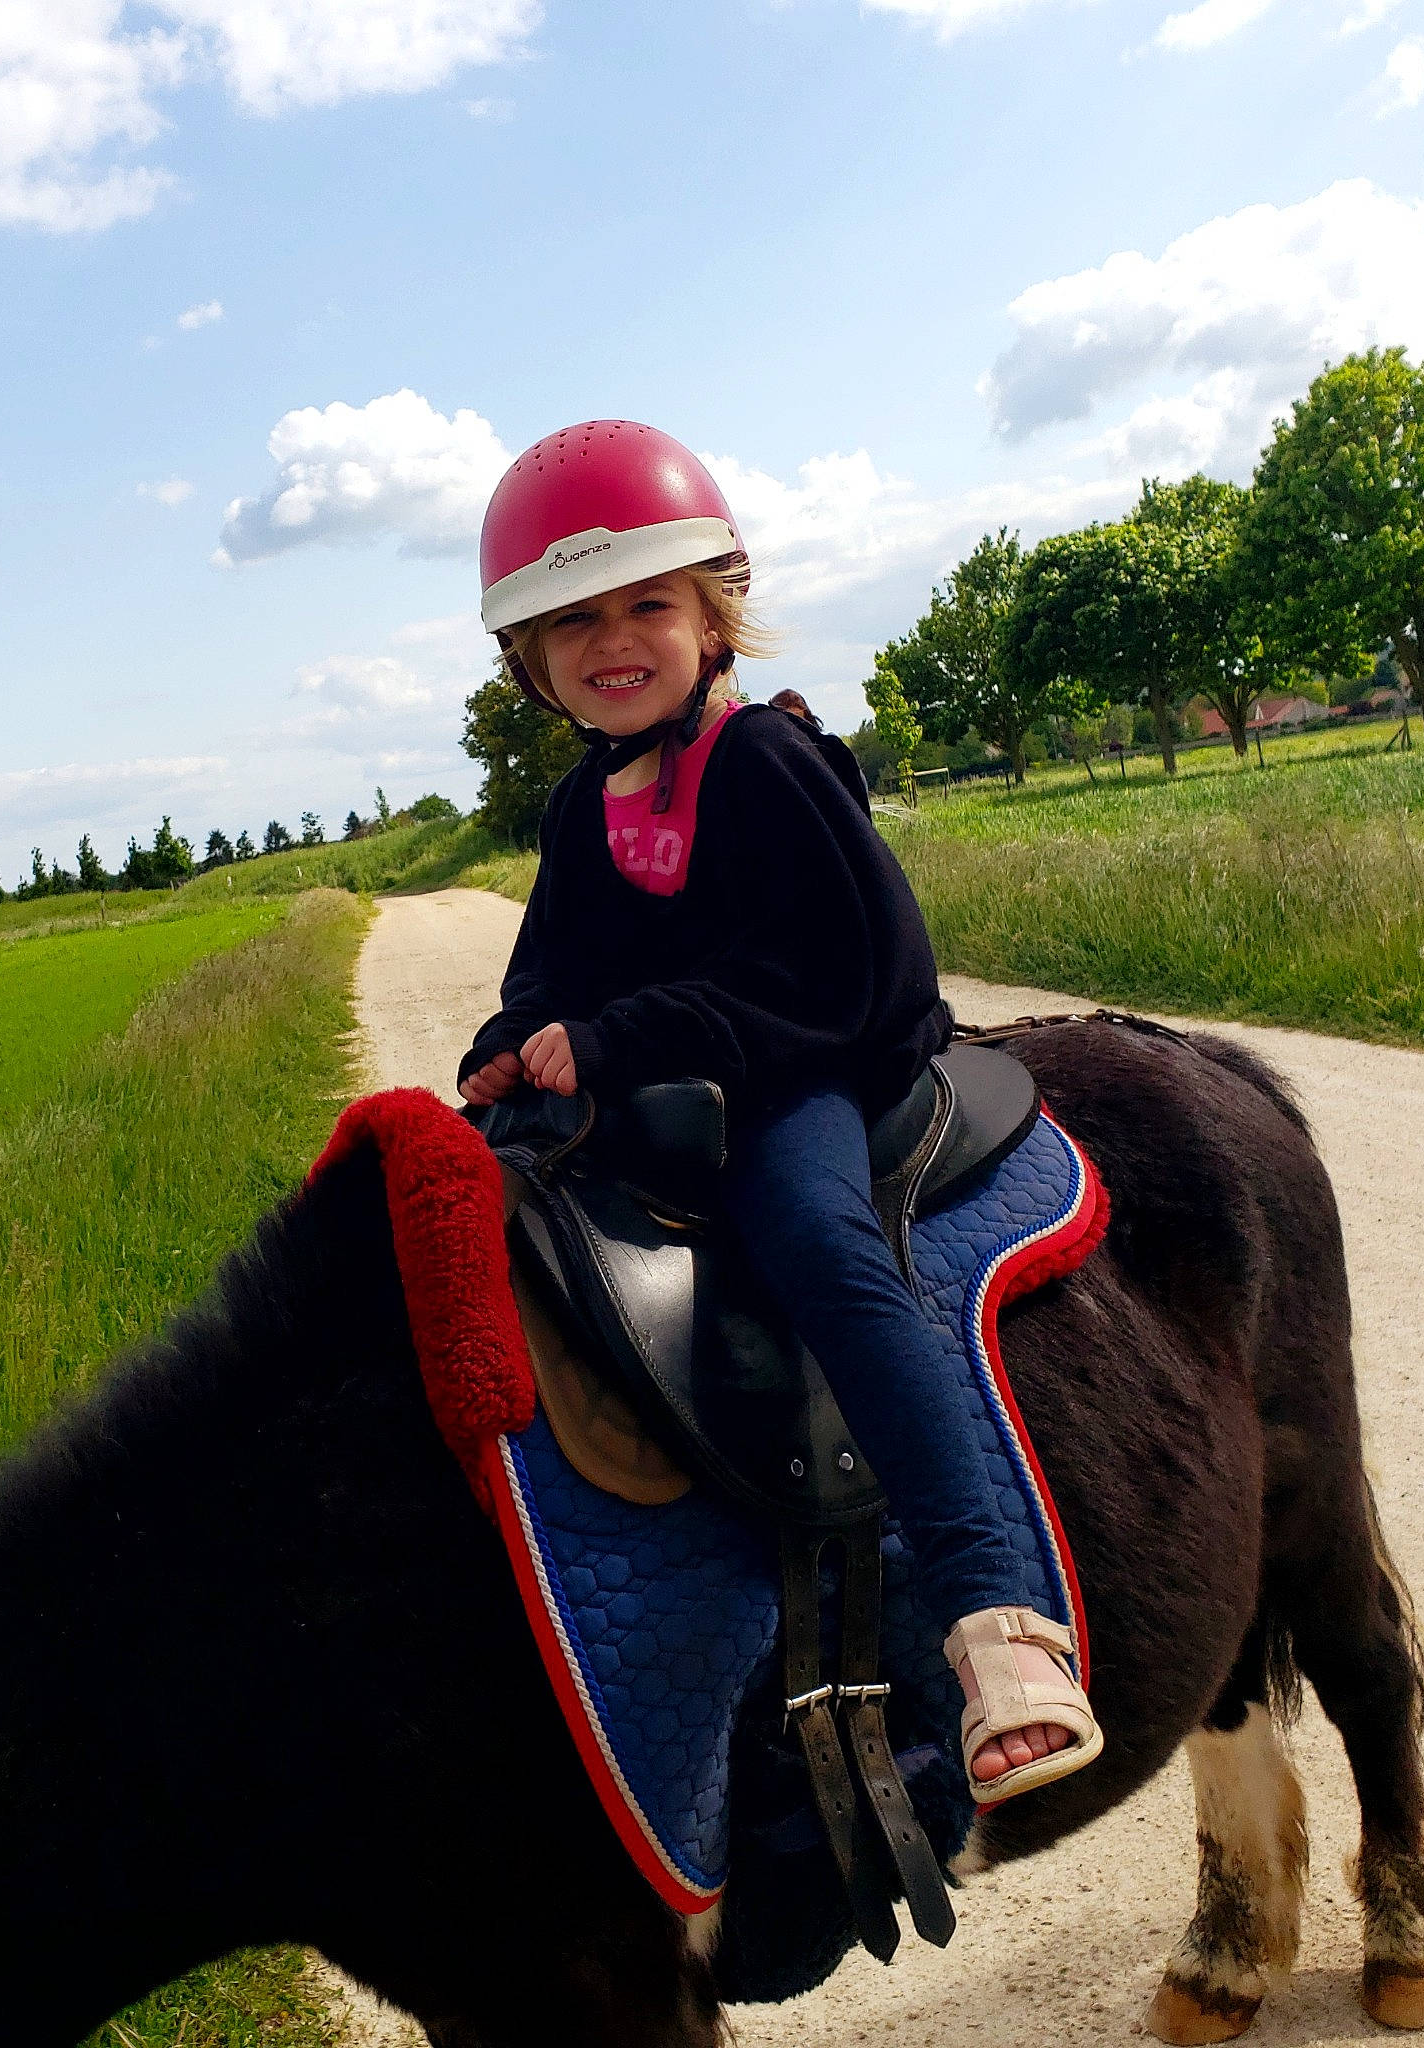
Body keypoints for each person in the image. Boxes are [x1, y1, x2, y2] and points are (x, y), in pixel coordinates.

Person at [457, 421, 1101, 1802]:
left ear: (713, 617)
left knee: (819, 1248)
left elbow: (834, 970)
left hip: (798, 1075)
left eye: (647, 604)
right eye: (572, 621)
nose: (611, 641)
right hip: (661, 1101)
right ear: (530, 660)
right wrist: (512, 1044)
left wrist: (624, 1036)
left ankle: (995, 1617)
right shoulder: (579, 810)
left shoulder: (764, 761)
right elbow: (548, 971)